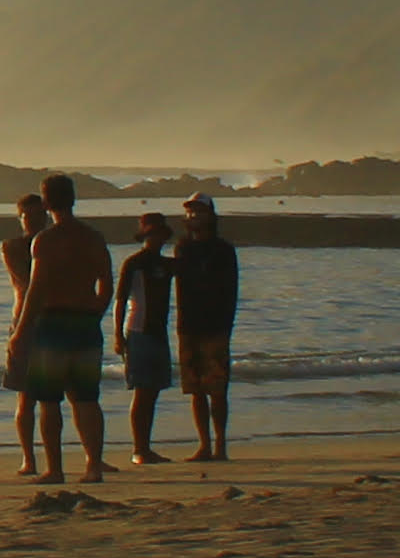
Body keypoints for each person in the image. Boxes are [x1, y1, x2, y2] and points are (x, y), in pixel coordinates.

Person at [12, 175, 114, 481]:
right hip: (84, 320)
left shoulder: (47, 240)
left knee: (49, 399)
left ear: (45, 204)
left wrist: (21, 330)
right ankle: (93, 465)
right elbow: (107, 284)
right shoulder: (93, 237)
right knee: (86, 397)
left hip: (54, 322)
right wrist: (96, 311)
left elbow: (37, 289)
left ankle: (55, 468)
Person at [176, 192, 241, 462]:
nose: (194, 216)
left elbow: (232, 291)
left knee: (217, 389)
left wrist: (226, 325)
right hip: (188, 326)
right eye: (191, 212)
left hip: (216, 327)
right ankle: (204, 444)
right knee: (196, 390)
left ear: (211, 215)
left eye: (199, 212)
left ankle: (221, 444)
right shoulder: (183, 248)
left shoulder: (223, 250)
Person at [113, 210, 177, 467]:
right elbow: (120, 300)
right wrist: (117, 334)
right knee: (142, 392)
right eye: (150, 234)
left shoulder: (167, 264)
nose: (156, 239)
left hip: (159, 332)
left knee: (152, 392)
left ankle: (146, 447)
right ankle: (139, 449)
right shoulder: (134, 263)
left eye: (159, 234)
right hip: (138, 331)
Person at [0, 191, 48, 475]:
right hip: (24, 323)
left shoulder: (53, 244)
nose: (36, 221)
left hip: (53, 320)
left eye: (40, 216)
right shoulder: (14, 247)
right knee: (26, 395)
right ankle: (29, 458)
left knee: (70, 392)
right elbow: (27, 283)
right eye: (29, 217)